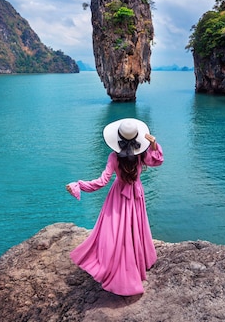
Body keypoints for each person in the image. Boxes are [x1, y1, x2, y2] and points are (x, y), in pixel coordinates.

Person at [65, 118, 164, 296]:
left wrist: (80, 184)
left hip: (118, 195)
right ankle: (137, 261)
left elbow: (102, 182)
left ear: (118, 138)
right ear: (137, 138)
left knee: (116, 231)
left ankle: (118, 263)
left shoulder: (114, 156)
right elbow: (157, 161)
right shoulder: (142, 154)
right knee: (135, 228)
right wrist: (154, 144)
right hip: (136, 195)